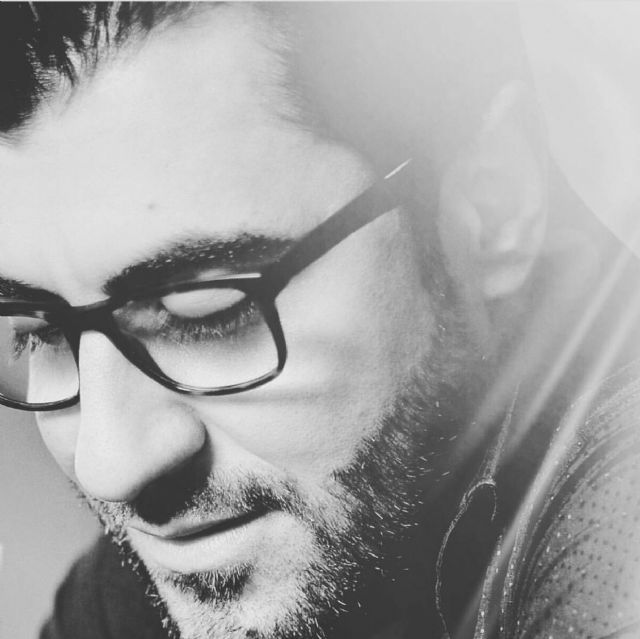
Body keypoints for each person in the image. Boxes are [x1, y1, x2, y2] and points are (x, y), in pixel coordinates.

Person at [1, 3, 638, 638]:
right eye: (40, 332)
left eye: (207, 309)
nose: (110, 466)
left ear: (492, 207)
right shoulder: (191, 550)